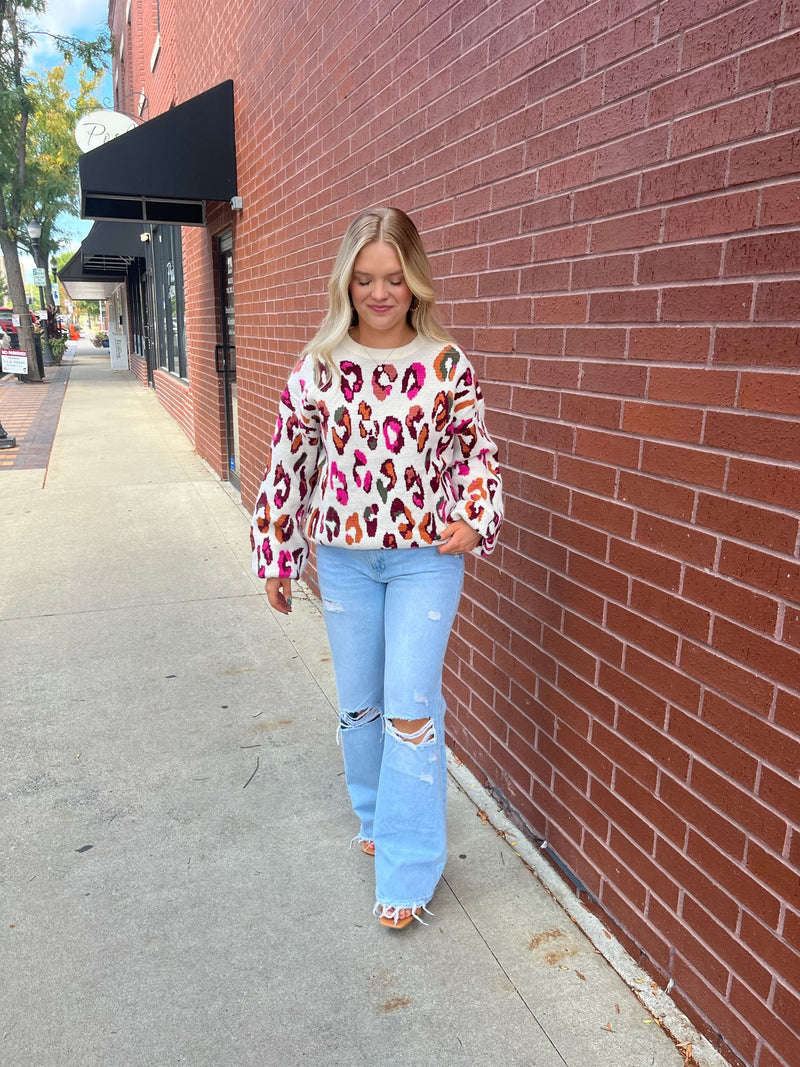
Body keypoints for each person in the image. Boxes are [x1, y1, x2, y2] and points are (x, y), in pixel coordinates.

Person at [250, 206, 503, 929]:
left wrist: (475, 514)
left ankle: (408, 867)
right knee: (360, 702)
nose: (381, 292)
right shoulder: (319, 366)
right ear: (346, 282)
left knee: (410, 708)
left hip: (426, 560)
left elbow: (476, 452)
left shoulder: (445, 364)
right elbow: (290, 464)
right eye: (365, 279)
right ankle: (374, 813)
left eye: (394, 278)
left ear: (415, 279)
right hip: (344, 561)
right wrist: (277, 552)